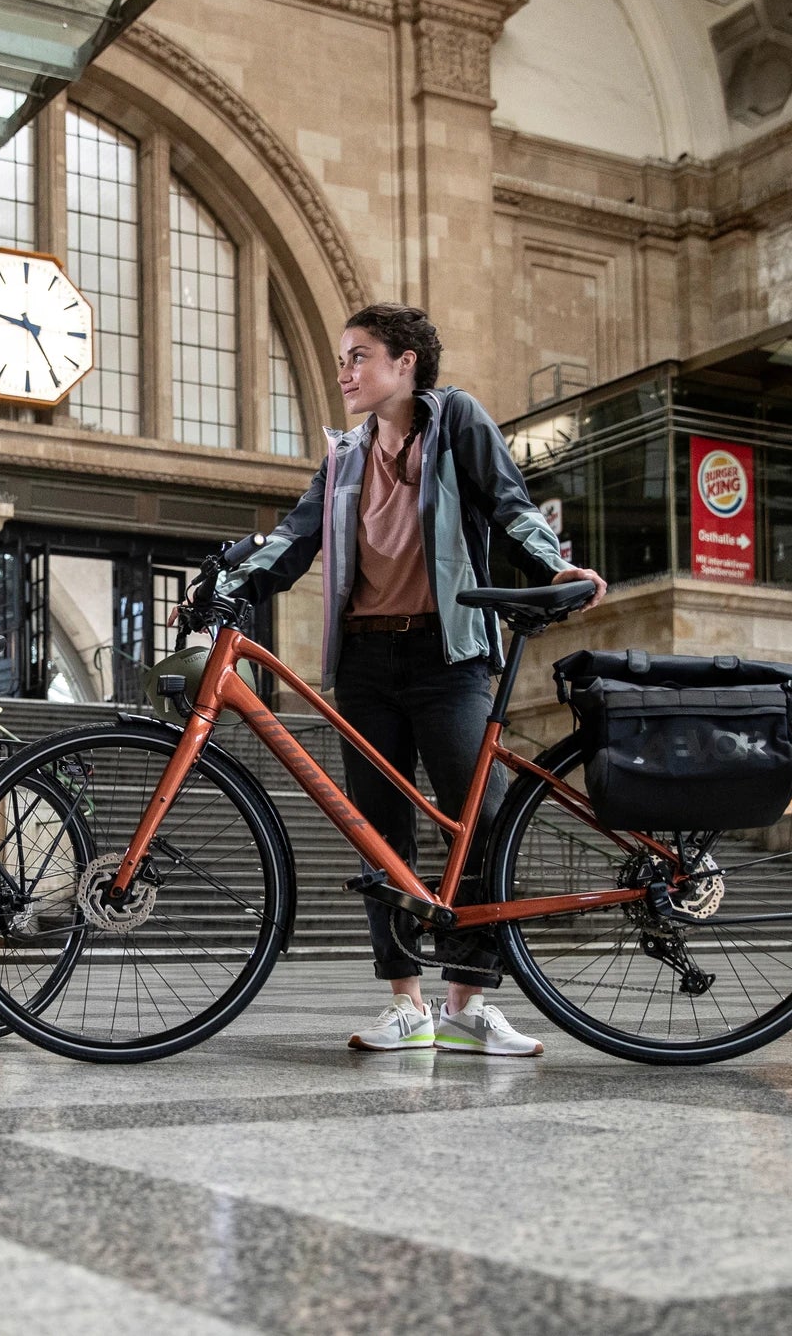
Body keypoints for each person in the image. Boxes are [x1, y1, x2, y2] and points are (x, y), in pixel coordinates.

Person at [218, 303, 605, 1056]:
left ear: (406, 364)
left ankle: (469, 1003)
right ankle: (407, 1003)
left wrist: (554, 565)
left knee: (481, 820)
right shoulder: (344, 455)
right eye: (341, 357)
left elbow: (511, 504)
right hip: (365, 664)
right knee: (378, 835)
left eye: (359, 356)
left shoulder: (456, 420)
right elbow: (296, 539)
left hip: (448, 657)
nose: (344, 371)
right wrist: (238, 585)